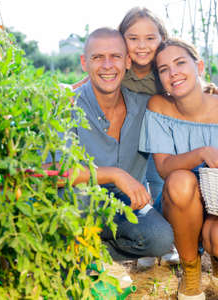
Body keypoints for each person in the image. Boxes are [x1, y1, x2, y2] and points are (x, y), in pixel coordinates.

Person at [139, 38, 218, 300]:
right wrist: (203, 152)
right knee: (180, 180)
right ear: (160, 79)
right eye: (163, 69)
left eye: (180, 63)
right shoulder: (159, 107)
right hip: (181, 204)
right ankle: (191, 269)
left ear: (200, 67)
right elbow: (163, 168)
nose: (173, 73)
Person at [46, 28, 174, 267]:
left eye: (115, 56)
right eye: (97, 57)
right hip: (79, 202)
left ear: (127, 61)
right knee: (76, 201)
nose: (107, 65)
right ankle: (75, 250)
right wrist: (113, 174)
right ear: (85, 62)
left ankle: (94, 251)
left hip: (125, 207)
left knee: (161, 238)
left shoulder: (145, 106)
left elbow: (188, 101)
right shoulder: (66, 104)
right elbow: (52, 173)